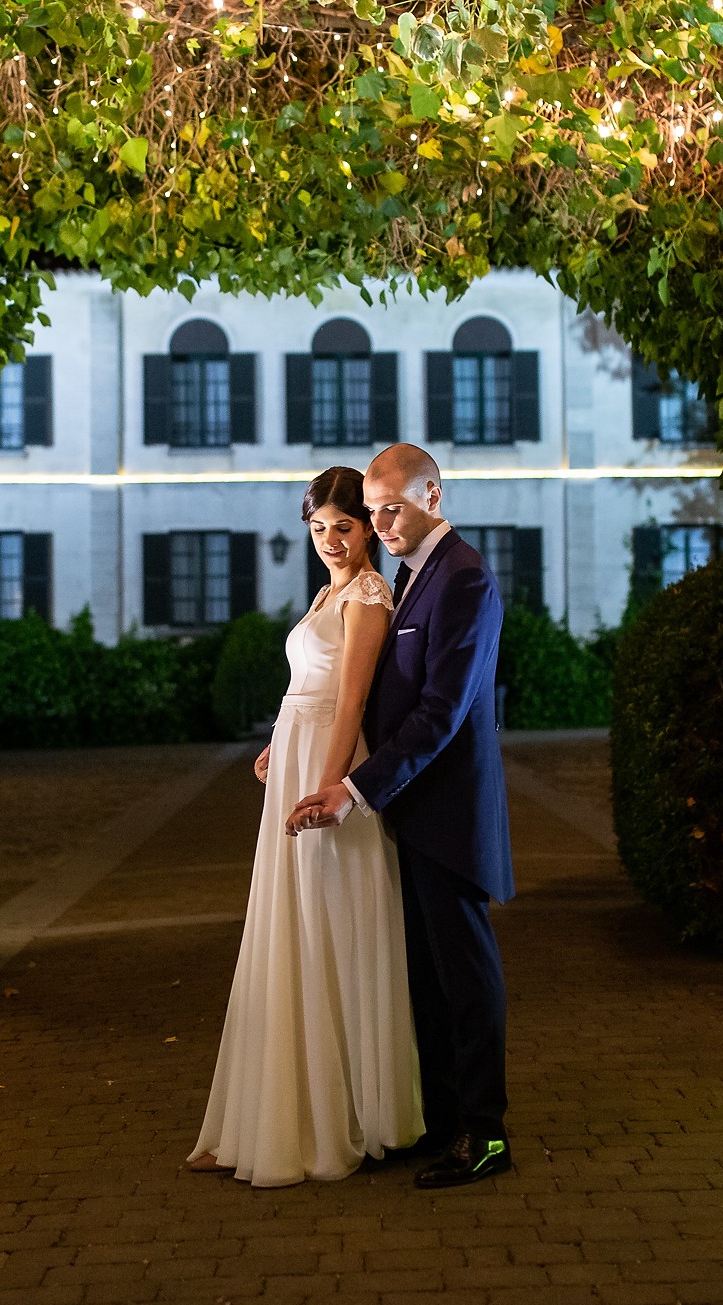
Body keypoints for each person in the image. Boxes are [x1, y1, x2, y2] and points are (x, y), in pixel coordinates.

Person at [188, 466, 426, 1186]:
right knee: (291, 924)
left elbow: (350, 702)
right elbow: (308, 688)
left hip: (329, 769)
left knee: (332, 927)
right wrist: (277, 743)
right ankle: (273, 1111)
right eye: (318, 527)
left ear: (367, 530)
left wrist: (329, 788)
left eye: (343, 527)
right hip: (296, 757)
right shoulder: (329, 591)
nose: (329, 540)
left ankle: (347, 1113)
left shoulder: (369, 595)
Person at [289, 444, 516, 1190]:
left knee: (464, 976)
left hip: (448, 815)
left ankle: (485, 1134)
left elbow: (441, 713)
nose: (381, 522)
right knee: (427, 979)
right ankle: (447, 1123)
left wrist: (353, 787)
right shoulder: (421, 576)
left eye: (394, 508)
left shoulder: (465, 577)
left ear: (434, 497)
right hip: (412, 812)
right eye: (374, 509)